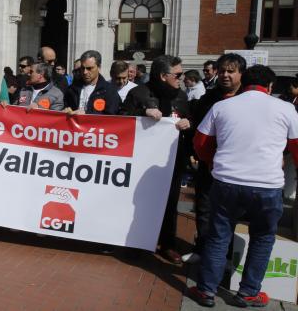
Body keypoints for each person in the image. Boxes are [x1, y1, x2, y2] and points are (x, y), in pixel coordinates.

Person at [188, 65, 298, 308]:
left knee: (218, 236)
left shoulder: (222, 106)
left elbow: (201, 142)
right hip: (267, 185)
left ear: (243, 82)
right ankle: (248, 292)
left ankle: (206, 290)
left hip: (227, 181)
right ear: (270, 87)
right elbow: (297, 146)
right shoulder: (286, 108)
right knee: (263, 237)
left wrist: (210, 161)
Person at [122, 55, 191, 264]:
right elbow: (122, 119)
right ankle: (137, 241)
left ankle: (167, 244)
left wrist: (189, 122)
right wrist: (143, 112)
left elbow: (189, 118)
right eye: (177, 74)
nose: (181, 78)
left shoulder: (181, 96)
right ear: (163, 75)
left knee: (170, 203)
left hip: (171, 161)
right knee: (139, 203)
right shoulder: (138, 93)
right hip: (142, 162)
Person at [183, 53, 247, 265]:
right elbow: (197, 124)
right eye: (222, 71)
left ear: (241, 73)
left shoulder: (248, 97)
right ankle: (201, 249)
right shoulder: (209, 98)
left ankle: (226, 255)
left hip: (239, 167)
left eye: (231, 71)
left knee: (231, 213)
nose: (225, 75)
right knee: (204, 208)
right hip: (208, 164)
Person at [64, 50, 121, 115]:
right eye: (83, 68)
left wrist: (86, 114)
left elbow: (112, 116)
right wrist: (66, 111)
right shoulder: (72, 89)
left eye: (89, 68)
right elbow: (67, 107)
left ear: (99, 67)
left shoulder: (109, 90)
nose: (85, 72)